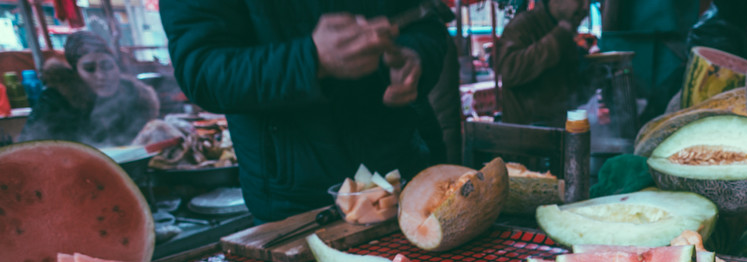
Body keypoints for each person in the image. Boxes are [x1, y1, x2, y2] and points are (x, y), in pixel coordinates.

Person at [160, 1, 448, 222]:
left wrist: (416, 54)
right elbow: (200, 70)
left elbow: (424, 17)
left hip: (405, 171)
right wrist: (310, 59)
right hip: (295, 202)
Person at [20, 31, 159, 147]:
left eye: (107, 66)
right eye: (89, 69)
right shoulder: (55, 101)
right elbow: (29, 146)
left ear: (117, 67)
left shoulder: (135, 95)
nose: (101, 75)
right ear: (76, 73)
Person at [495, 0, 589, 126]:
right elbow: (509, 71)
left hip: (557, 133)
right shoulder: (523, 25)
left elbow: (570, 94)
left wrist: (593, 78)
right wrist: (557, 37)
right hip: (525, 136)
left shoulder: (565, 34)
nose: (585, 7)